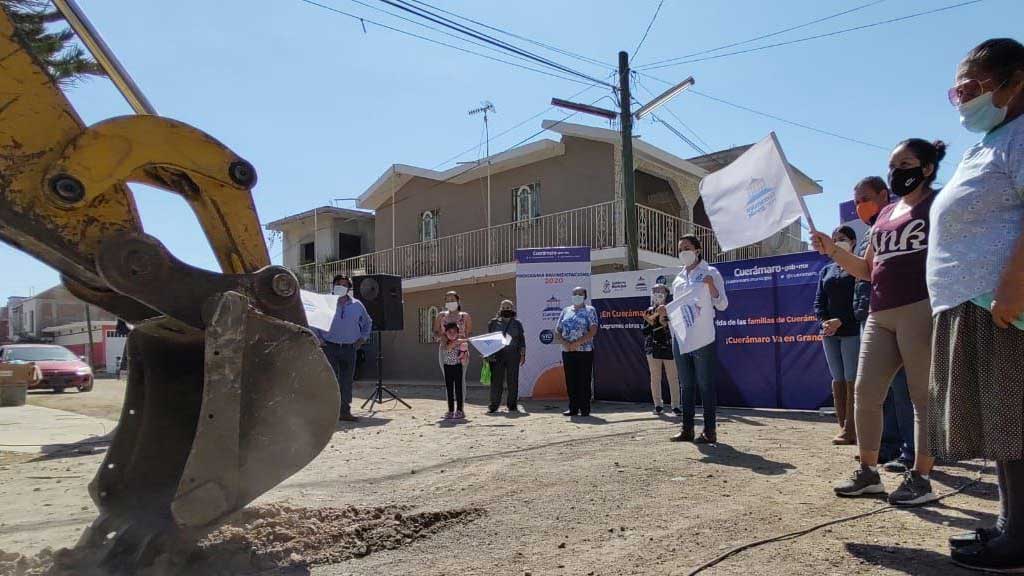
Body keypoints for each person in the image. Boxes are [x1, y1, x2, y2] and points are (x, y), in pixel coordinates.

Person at [927, 38, 1024, 572]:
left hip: (1002, 303)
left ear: (1015, 82)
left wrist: (1014, 281)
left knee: (1016, 421)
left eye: (971, 88)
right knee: (1004, 427)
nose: (962, 100)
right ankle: (1012, 527)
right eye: (956, 91)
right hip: (974, 301)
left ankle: (1020, 539)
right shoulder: (993, 138)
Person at [812, 138, 945, 506]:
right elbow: (867, 269)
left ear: (927, 168)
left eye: (905, 165)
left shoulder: (938, 204)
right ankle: (868, 472)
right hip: (879, 312)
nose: (897, 172)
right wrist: (833, 250)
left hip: (920, 306)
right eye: (893, 165)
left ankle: (921, 477)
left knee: (922, 398)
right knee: (867, 393)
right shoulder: (884, 216)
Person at [853, 177, 915, 472]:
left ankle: (912, 452)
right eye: (856, 201)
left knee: (904, 389)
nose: (860, 206)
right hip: (872, 313)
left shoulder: (902, 221)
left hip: (902, 314)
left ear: (883, 194)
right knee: (879, 390)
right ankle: (885, 447)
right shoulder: (871, 233)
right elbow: (866, 272)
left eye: (865, 198)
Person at [669, 235, 728, 444]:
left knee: (705, 384)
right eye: (680, 249)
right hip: (681, 337)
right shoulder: (677, 279)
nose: (683, 252)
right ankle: (687, 429)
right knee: (686, 385)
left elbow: (722, 304)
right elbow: (677, 308)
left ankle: (709, 430)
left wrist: (711, 286)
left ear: (698, 249)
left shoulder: (711, 272)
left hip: (703, 337)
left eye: (687, 247)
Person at [814, 226, 860, 445]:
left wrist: (841, 320)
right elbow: (818, 302)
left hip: (851, 331)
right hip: (829, 333)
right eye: (834, 239)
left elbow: (861, 301)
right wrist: (825, 322)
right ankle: (843, 427)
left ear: (853, 241)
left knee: (853, 379)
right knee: (838, 379)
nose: (837, 241)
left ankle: (853, 429)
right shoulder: (826, 270)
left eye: (842, 239)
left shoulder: (859, 266)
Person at [319, 274, 372, 422]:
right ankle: (330, 413)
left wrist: (362, 338)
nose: (341, 287)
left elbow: (368, 323)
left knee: (346, 381)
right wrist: (319, 339)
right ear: (334, 286)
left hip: (350, 348)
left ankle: (345, 412)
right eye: (339, 284)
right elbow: (314, 322)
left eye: (345, 285)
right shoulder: (324, 302)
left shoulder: (357, 305)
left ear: (349, 288)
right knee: (330, 381)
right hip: (329, 347)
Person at [555, 286, 599, 417]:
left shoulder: (590, 310)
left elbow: (593, 330)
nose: (577, 295)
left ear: (585, 296)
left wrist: (577, 343)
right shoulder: (565, 310)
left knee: (584, 380)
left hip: (584, 351)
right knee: (571, 380)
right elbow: (558, 331)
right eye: (575, 293)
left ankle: (585, 408)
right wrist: (566, 344)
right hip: (567, 350)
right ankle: (573, 408)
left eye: (580, 293)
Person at [642, 283, 680, 415]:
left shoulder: (672, 308)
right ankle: (658, 405)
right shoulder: (649, 310)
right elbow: (645, 331)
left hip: (670, 347)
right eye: (655, 290)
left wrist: (664, 318)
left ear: (666, 294)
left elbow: (675, 327)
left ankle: (676, 406)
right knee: (655, 377)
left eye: (661, 291)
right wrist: (653, 318)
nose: (658, 293)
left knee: (673, 377)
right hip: (652, 348)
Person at [486, 299, 526, 413]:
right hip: (497, 355)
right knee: (496, 381)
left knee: (512, 381)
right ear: (500, 309)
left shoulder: (517, 324)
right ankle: (494, 405)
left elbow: (521, 340)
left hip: (513, 354)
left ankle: (512, 405)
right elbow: (489, 339)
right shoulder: (493, 323)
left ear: (512, 309)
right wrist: (488, 353)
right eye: (503, 308)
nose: (506, 310)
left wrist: (523, 354)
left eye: (508, 308)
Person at [434, 290, 472, 373]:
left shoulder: (465, 316)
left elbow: (469, 335)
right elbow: (435, 332)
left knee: (461, 379)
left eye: (452, 300)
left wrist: (461, 341)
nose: (450, 302)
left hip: (461, 350)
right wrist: (441, 337)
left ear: (458, 301)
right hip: (445, 349)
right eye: (447, 301)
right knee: (448, 378)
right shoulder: (441, 315)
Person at [440, 322, 468, 420]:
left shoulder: (462, 343)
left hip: (457, 367)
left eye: (454, 332)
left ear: (458, 332)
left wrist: (464, 352)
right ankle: (451, 411)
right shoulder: (444, 342)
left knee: (459, 389)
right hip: (447, 367)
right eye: (449, 332)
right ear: (446, 333)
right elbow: (448, 348)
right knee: (450, 390)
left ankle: (460, 410)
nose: (452, 334)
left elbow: (465, 358)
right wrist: (458, 341)